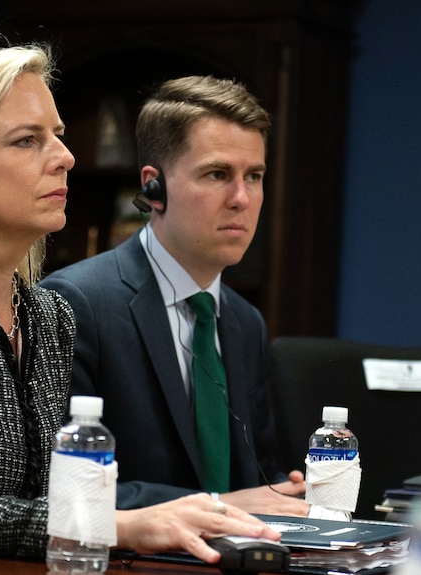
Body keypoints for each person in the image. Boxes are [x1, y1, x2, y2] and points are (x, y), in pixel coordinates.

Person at [0, 41, 278, 567]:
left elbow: (50, 496)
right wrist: (117, 524)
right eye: (28, 141)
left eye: (59, 136)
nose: (65, 157)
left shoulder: (47, 316)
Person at [40, 76, 309, 515]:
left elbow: (258, 476)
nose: (242, 198)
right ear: (154, 189)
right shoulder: (75, 303)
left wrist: (285, 494)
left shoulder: (244, 322)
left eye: (254, 176)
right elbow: (64, 489)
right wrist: (218, 505)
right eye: (218, 174)